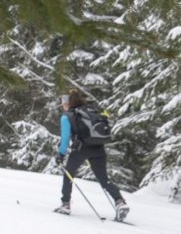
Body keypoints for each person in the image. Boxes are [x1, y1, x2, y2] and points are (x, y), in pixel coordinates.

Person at [54, 89, 129, 220]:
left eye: (64, 104)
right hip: (98, 148)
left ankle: (65, 204)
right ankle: (120, 202)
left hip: (81, 149)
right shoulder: (91, 111)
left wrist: (61, 154)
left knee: (69, 175)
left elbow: (65, 138)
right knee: (104, 180)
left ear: (68, 104)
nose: (63, 107)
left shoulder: (67, 116)